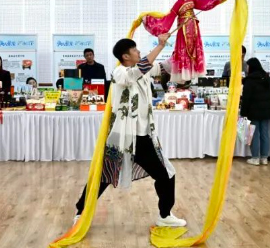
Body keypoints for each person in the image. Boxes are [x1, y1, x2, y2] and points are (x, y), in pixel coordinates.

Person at [73, 33, 186, 228]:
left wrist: (185, 43)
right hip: (123, 135)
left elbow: (167, 65)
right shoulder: (119, 72)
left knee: (166, 173)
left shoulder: (144, 71)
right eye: (135, 50)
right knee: (104, 176)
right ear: (125, 56)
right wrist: (160, 45)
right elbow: (137, 71)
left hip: (142, 136)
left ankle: (165, 214)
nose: (139, 52)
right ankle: (81, 212)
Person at [142, 0, 236, 82]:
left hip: (194, 29)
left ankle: (192, 72)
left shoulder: (192, 0)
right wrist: (149, 21)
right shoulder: (177, 4)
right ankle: (184, 75)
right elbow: (168, 20)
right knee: (185, 50)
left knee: (194, 50)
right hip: (183, 30)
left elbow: (208, 2)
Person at [240, 57, 270, 166]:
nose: (247, 68)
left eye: (248, 66)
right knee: (265, 134)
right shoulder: (267, 78)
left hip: (253, 111)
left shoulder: (249, 81)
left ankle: (255, 157)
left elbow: (246, 99)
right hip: (266, 111)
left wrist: (243, 112)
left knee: (254, 134)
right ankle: (264, 158)